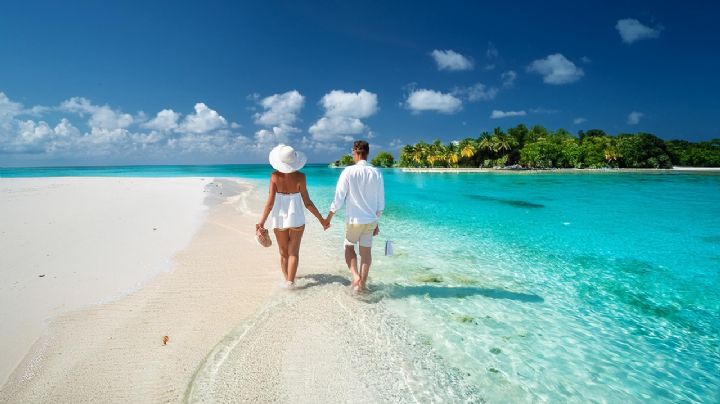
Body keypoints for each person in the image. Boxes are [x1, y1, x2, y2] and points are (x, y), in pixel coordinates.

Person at [257, 144, 329, 288]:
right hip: (296, 217)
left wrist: (261, 223)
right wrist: (322, 220)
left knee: (283, 253)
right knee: (293, 253)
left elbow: (270, 203)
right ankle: (291, 282)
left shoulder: (274, 177)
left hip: (279, 217)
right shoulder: (301, 177)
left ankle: (287, 281)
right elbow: (307, 202)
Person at [325, 140, 385, 293]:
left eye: (352, 153)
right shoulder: (376, 172)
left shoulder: (349, 171)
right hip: (371, 220)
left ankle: (355, 276)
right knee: (366, 254)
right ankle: (363, 286)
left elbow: (339, 198)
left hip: (354, 220)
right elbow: (380, 202)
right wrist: (376, 222)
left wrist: (328, 218)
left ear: (355, 152)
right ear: (368, 153)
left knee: (348, 246)